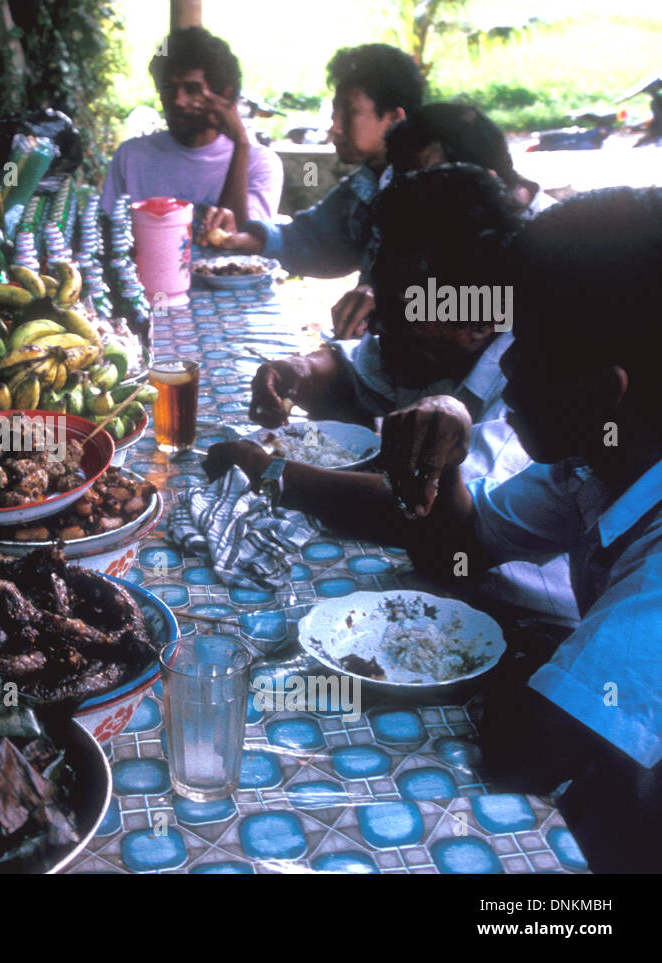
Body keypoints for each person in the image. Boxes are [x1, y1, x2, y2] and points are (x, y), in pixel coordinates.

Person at [372, 188, 662, 872]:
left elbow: (532, 748)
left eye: (525, 346)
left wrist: (530, 662)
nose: (503, 366)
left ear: (603, 393)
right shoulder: (597, 461)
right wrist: (443, 450)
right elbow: (465, 548)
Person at [204, 164, 577, 626]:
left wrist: (273, 473)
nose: (376, 325)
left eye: (399, 314)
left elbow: (422, 514)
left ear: (477, 323)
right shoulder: (428, 341)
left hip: (518, 621)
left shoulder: (528, 397)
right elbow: (357, 366)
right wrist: (297, 371)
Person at [201, 44, 424, 337]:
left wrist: (392, 300)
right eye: (335, 111)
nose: (335, 127)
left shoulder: (438, 194)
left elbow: (476, 297)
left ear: (395, 118)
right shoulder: (368, 184)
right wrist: (244, 241)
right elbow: (317, 240)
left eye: (349, 112)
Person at [330, 102, 559, 339]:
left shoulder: (557, 247)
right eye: (404, 182)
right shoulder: (417, 214)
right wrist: (375, 296)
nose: (412, 198)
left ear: (486, 182)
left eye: (434, 182)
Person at [100, 26, 282, 228]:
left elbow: (242, 241)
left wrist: (241, 144)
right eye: (168, 89)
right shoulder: (132, 156)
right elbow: (109, 234)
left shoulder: (259, 163)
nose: (178, 101)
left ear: (224, 95)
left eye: (192, 89)